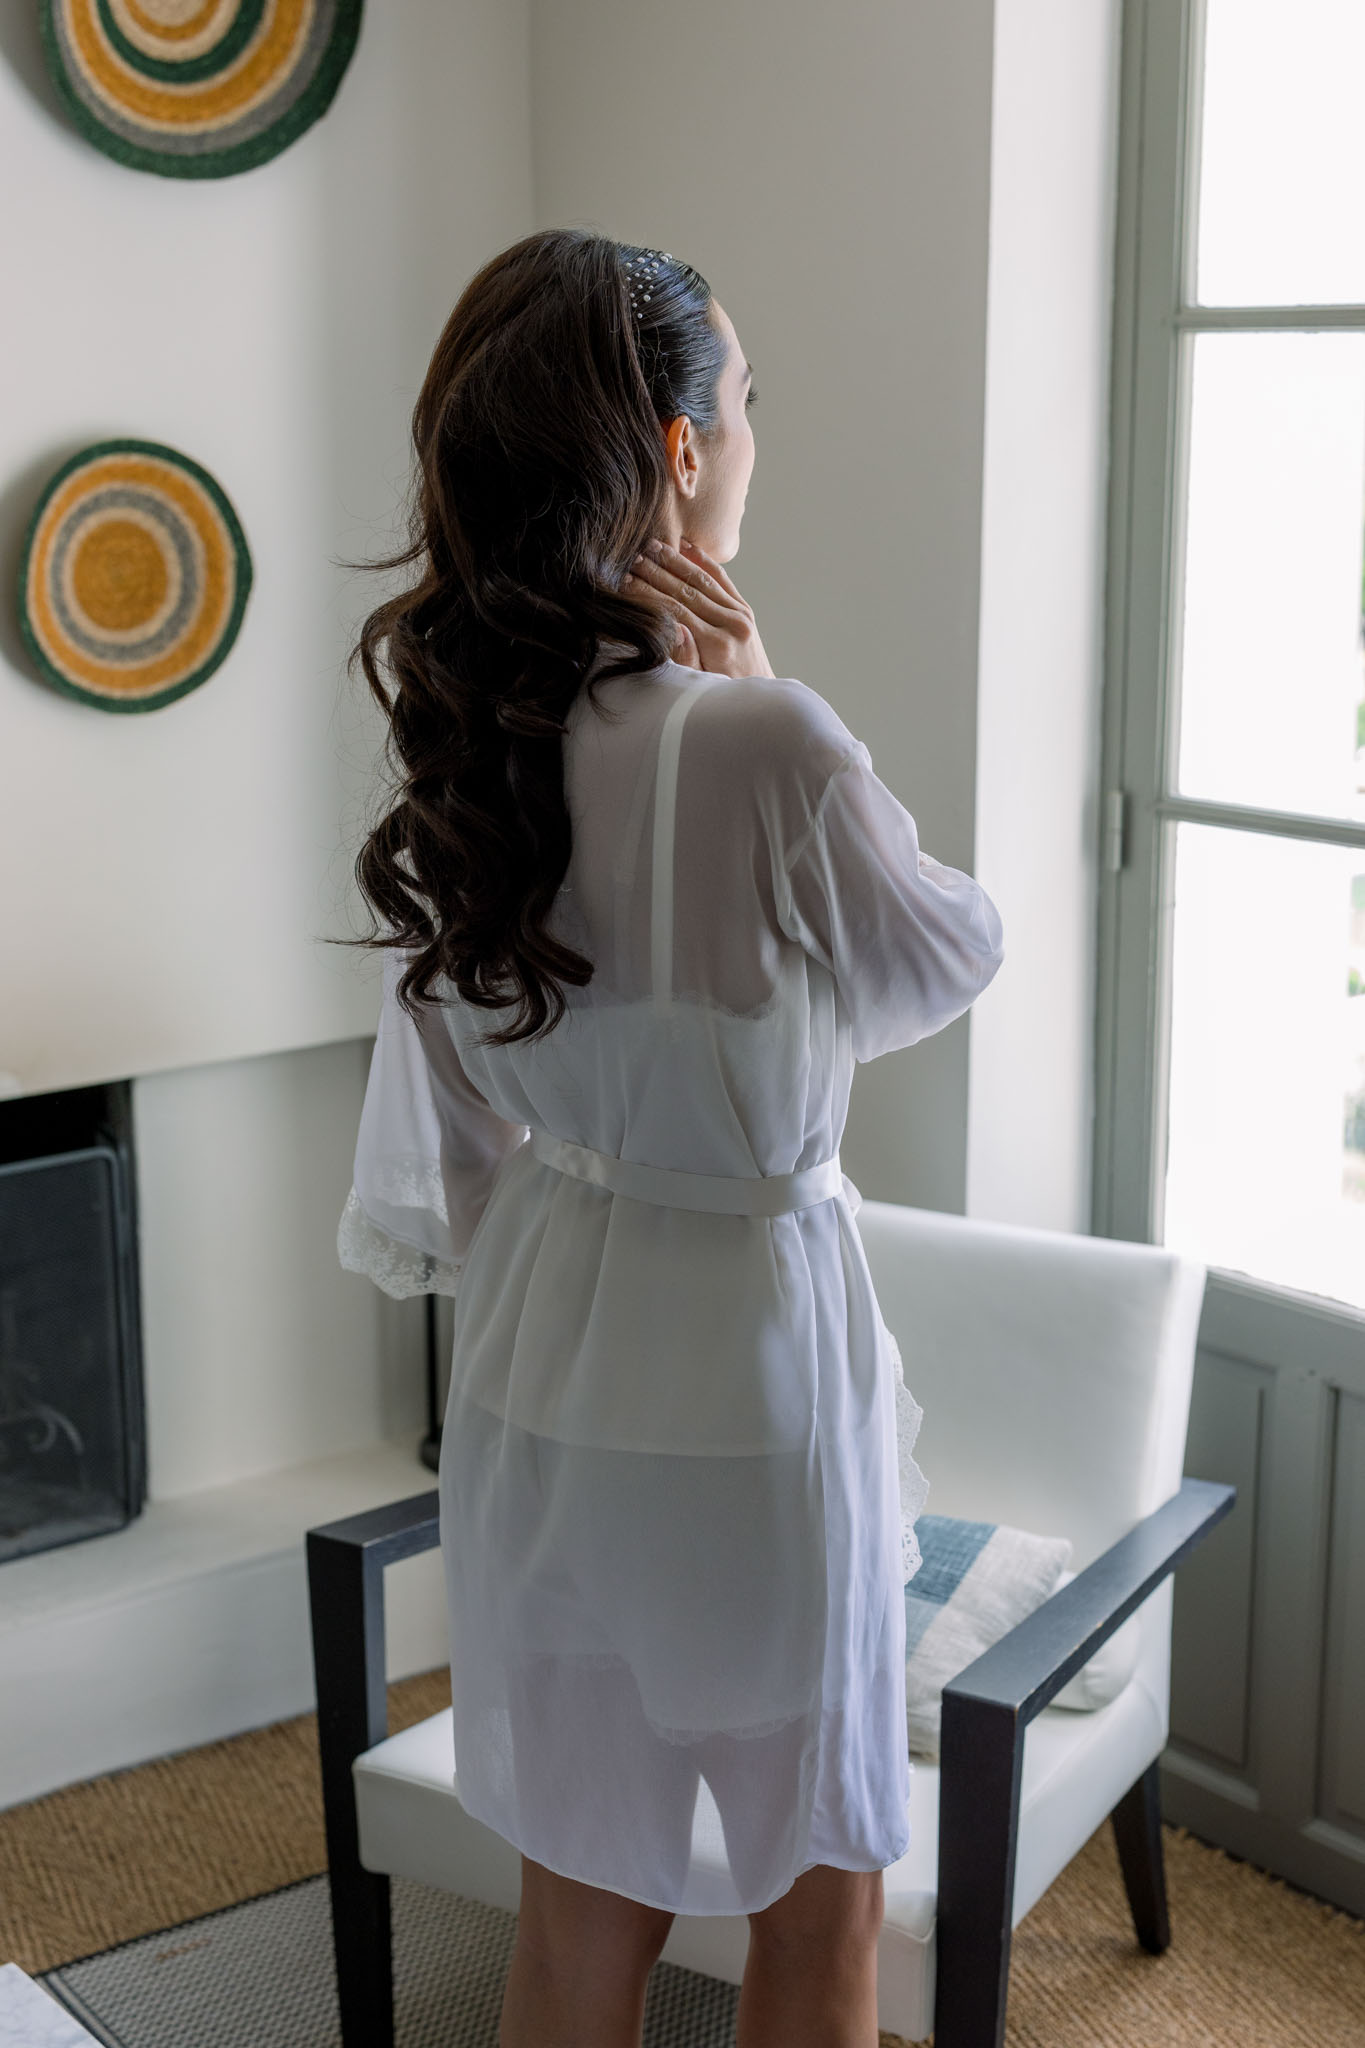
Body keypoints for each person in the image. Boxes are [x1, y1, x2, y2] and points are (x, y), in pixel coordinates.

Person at [336, 226, 1003, 2048]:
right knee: (817, 1914)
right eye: (749, 399)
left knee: (577, 1914)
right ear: (680, 447)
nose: (756, 436)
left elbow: (465, 1146)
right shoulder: (760, 742)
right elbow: (939, 959)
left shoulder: (463, 751)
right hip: (752, 1383)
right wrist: (775, 694)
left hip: (542, 1374)